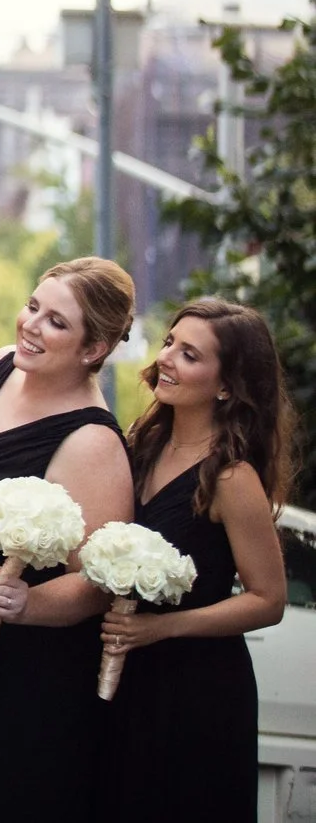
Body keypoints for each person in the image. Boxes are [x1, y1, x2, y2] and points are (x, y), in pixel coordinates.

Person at [0, 258, 134, 823]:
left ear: (93, 348)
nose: (30, 325)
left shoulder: (92, 442)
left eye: (56, 321)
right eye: (33, 306)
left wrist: (27, 604)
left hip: (20, 669)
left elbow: (97, 580)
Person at [107, 298, 294, 820]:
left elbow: (268, 600)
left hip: (197, 691)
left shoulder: (232, 478)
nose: (166, 358)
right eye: (170, 343)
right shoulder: (139, 448)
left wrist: (162, 629)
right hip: (129, 677)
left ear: (226, 385)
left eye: (189, 355)